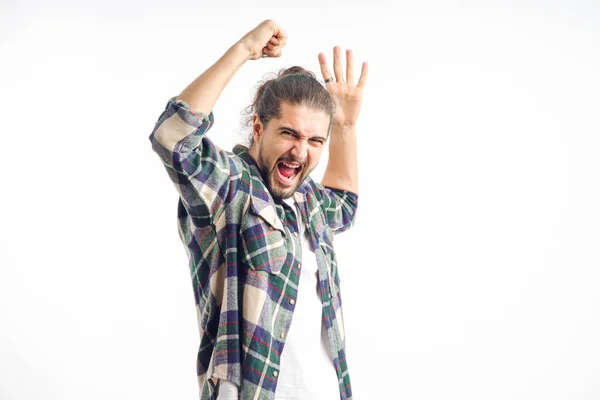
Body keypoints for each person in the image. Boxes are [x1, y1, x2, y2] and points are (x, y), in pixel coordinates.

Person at [149, 19, 367, 400]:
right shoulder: (230, 189)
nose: (301, 151)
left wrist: (345, 127)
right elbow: (173, 139)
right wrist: (245, 50)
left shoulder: (307, 201)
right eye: (289, 133)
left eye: (316, 140)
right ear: (257, 127)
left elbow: (344, 205)